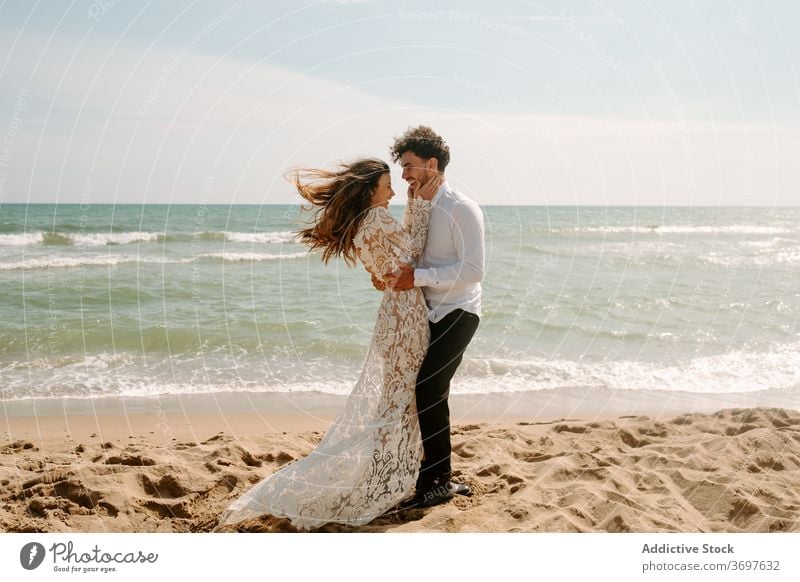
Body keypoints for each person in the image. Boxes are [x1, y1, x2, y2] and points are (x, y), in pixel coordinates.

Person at [215, 158, 442, 530]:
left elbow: (385, 271)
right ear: (371, 189)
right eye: (388, 185)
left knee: (395, 399)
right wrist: (423, 203)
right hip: (406, 319)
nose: (395, 191)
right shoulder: (378, 219)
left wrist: (395, 257)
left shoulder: (360, 226)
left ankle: (388, 472)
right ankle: (385, 478)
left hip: (393, 317)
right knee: (402, 401)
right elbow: (416, 252)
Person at [384, 126, 485, 509]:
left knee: (428, 388)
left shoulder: (462, 208)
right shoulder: (418, 205)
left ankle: (438, 481)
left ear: (432, 164)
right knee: (425, 391)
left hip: (459, 311)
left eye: (409, 166)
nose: (404, 175)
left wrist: (419, 278)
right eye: (402, 168)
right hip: (425, 312)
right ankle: (433, 476)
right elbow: (413, 254)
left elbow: (474, 269)